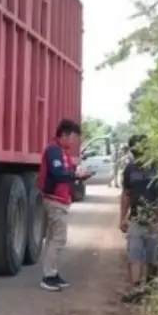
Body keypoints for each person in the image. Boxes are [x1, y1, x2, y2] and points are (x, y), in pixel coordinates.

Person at [119, 134, 158, 299]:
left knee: (154, 257)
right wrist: (122, 217)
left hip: (156, 220)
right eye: (134, 151)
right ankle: (136, 289)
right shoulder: (130, 169)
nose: (137, 155)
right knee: (134, 255)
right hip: (136, 219)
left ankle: (150, 286)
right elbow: (126, 194)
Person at [36, 118, 87, 292]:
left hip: (59, 199)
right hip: (55, 200)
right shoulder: (54, 150)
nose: (75, 141)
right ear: (64, 134)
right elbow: (59, 173)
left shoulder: (61, 150)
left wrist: (75, 173)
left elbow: (65, 171)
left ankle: (52, 272)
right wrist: (77, 176)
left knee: (53, 238)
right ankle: (48, 276)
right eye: (73, 137)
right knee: (58, 238)